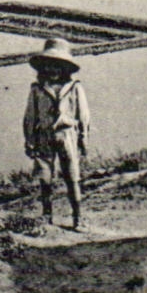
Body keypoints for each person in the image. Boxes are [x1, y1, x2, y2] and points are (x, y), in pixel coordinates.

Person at [23, 38, 90, 229]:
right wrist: (29, 141)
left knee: (72, 176)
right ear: (43, 68)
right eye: (49, 66)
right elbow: (30, 117)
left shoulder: (75, 88)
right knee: (45, 177)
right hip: (44, 136)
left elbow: (83, 115)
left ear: (65, 68)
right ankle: (47, 216)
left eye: (57, 66)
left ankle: (78, 217)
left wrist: (83, 139)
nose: (53, 71)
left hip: (68, 135)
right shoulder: (37, 90)